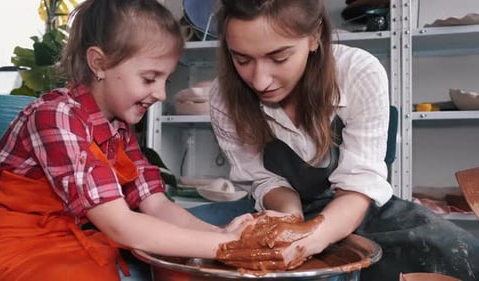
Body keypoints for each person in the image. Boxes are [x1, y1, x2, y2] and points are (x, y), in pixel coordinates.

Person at [189, 0, 479, 280]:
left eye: (279, 58)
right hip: (277, 209)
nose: (261, 80)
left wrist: (309, 241)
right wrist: (290, 220)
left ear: (314, 37)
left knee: (462, 256)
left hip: (359, 206)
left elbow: (359, 186)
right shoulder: (225, 98)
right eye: (242, 59)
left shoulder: (357, 73)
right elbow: (263, 180)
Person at [0, 1, 260, 280]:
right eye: (150, 79)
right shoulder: (55, 116)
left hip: (70, 229)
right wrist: (228, 247)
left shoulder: (120, 128)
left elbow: (156, 205)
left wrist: (221, 235)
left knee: (178, 256)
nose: (162, 94)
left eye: (166, 79)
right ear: (98, 63)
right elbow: (119, 225)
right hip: (10, 234)